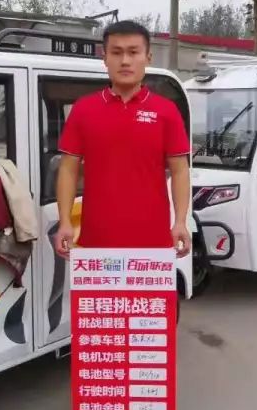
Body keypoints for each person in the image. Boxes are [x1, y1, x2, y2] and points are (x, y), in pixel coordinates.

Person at [53, 20, 192, 259]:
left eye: (133, 52)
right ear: (105, 58)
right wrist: (64, 221)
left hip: (153, 242)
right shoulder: (84, 109)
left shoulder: (166, 111)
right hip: (97, 242)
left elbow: (180, 171)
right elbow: (68, 169)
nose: (125, 61)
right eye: (116, 53)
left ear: (148, 57)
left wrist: (180, 221)